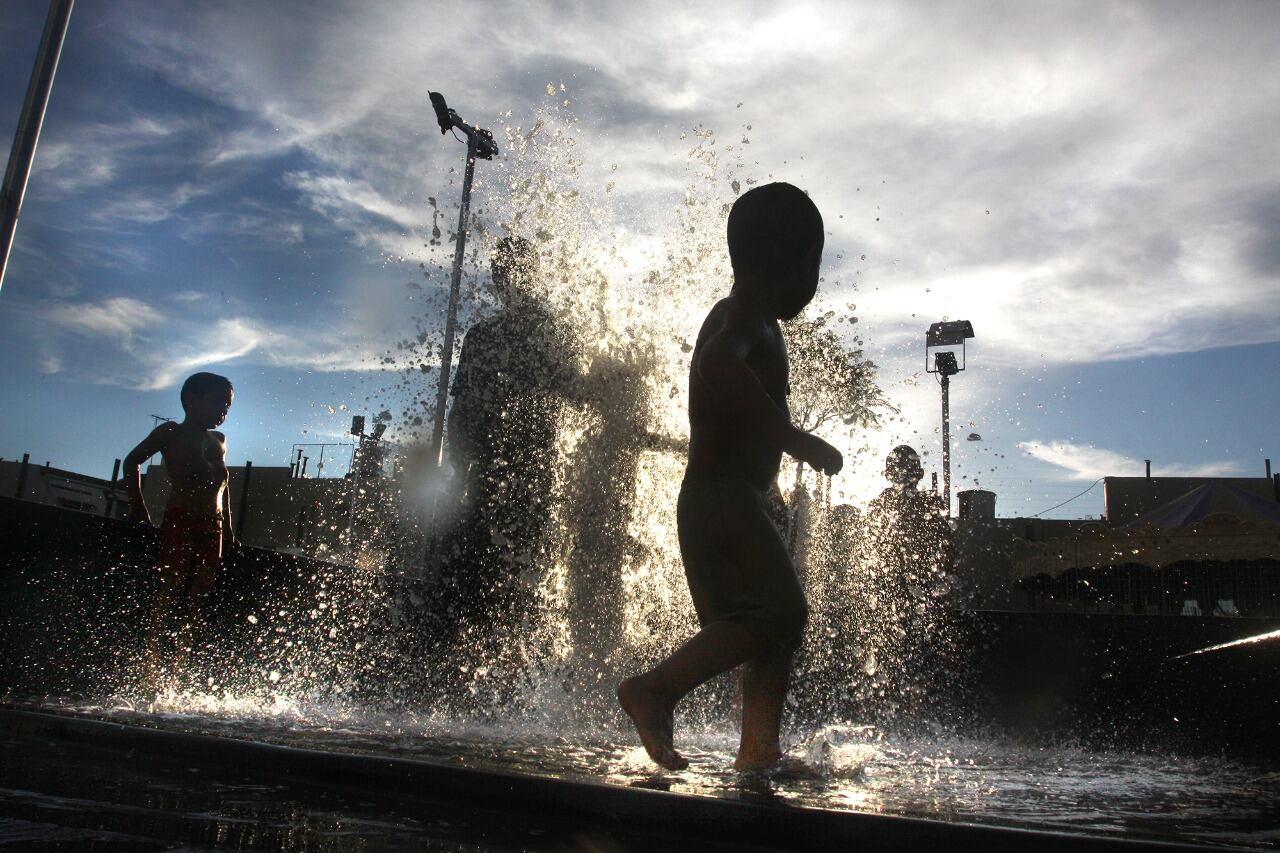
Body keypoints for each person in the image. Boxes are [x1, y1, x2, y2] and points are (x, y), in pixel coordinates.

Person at [617, 183, 842, 771]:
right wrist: (792, 438)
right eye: (812, 267)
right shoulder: (747, 318)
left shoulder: (751, 317)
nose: (813, 282)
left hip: (724, 501)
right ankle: (655, 689)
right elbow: (719, 364)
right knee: (784, 614)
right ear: (792, 265)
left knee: (770, 629)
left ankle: (758, 749)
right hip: (722, 498)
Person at [123, 372, 238, 687]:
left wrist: (227, 529)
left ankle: (176, 672)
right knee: (170, 588)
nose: (223, 412)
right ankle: (149, 667)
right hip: (181, 518)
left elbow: (223, 488)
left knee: (197, 598)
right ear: (192, 400)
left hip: (211, 526)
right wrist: (138, 505)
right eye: (217, 403)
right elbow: (132, 461)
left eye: (227, 406)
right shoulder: (170, 433)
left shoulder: (220, 441)